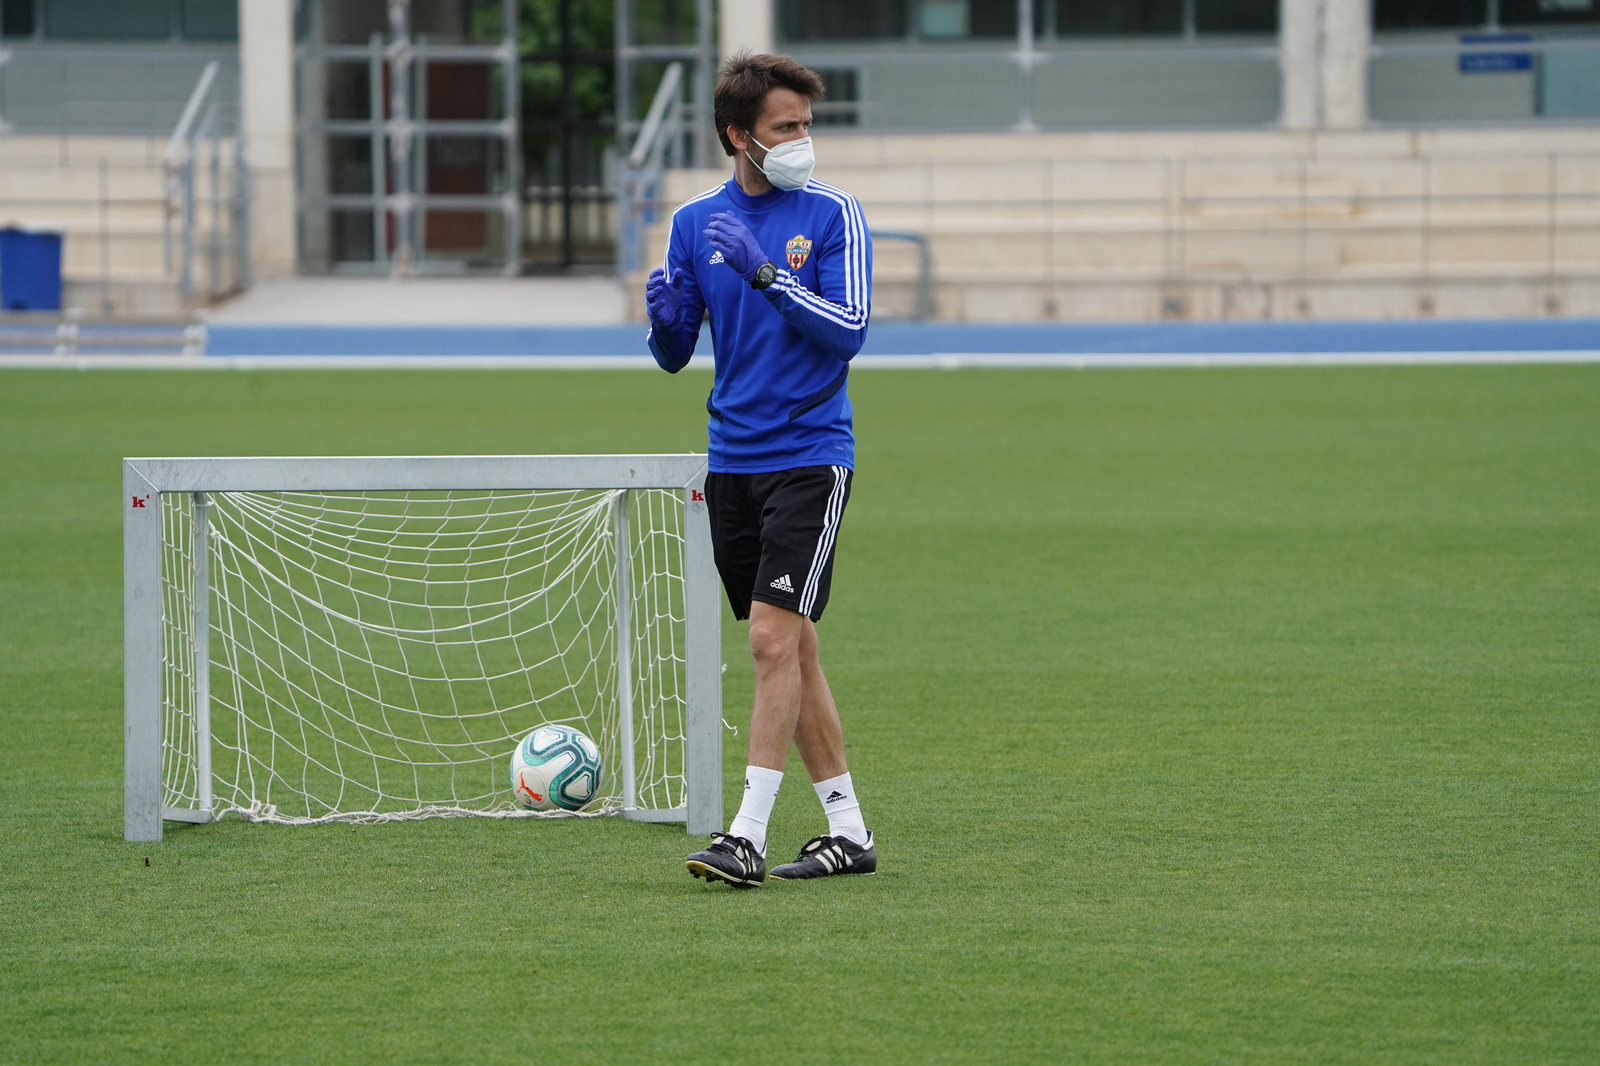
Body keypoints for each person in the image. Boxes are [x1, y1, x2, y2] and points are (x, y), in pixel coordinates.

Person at [645, 51, 876, 888]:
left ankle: (742, 833)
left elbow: (848, 328)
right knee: (796, 651)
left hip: (811, 455)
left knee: (770, 639)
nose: (803, 140)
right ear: (740, 137)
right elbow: (677, 353)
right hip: (732, 460)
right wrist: (666, 326)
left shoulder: (835, 213)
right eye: (787, 127)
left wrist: (770, 273)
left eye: (807, 124)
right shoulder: (694, 223)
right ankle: (847, 832)